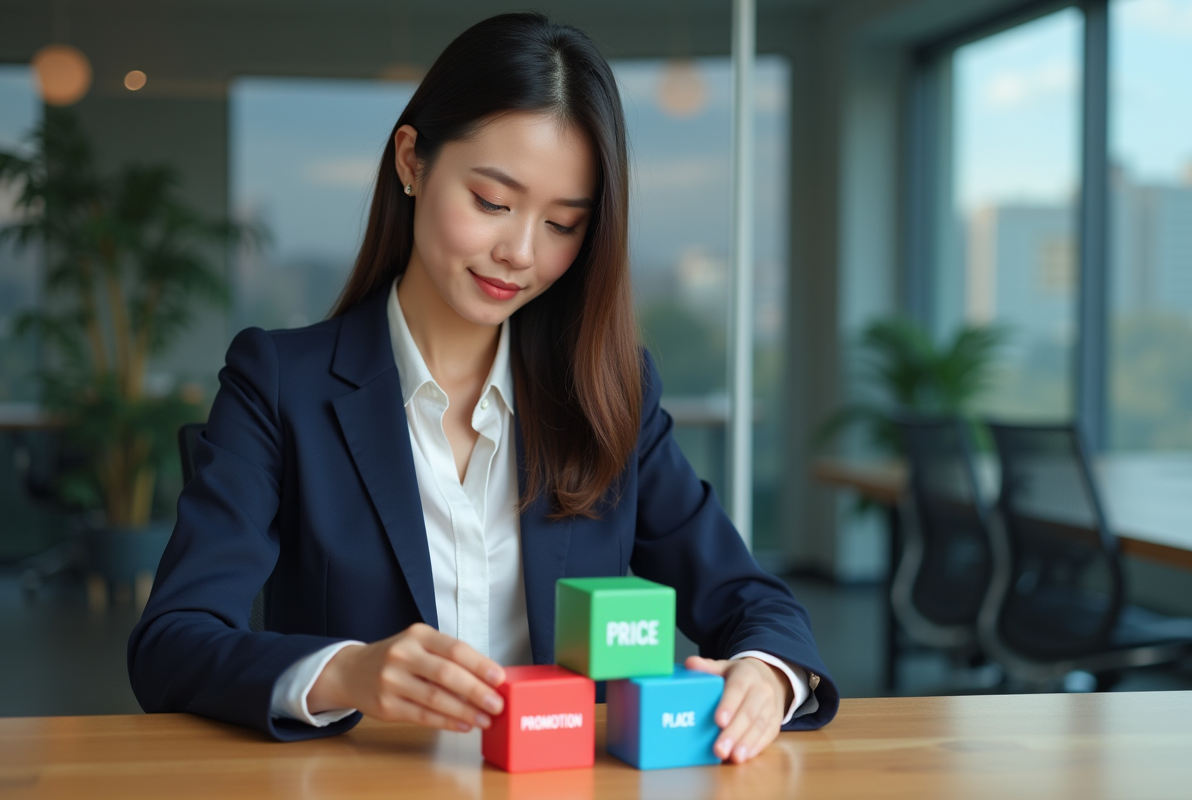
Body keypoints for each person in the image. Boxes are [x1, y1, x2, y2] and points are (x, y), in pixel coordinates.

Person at [128, 12, 838, 764]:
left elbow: (754, 603)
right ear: (411, 160)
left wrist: (766, 676)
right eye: (493, 202)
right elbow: (173, 641)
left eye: (564, 224)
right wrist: (347, 672)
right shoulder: (280, 385)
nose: (520, 252)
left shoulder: (611, 394)